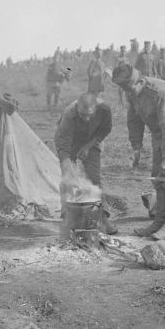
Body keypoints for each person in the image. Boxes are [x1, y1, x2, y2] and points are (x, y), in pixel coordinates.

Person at [113, 64, 165, 241]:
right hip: (158, 131)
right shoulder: (131, 92)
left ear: (141, 81)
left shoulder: (159, 91)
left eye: (130, 88)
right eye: (124, 89)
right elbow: (133, 121)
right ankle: (159, 221)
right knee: (158, 176)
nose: (128, 93)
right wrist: (136, 147)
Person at [54, 92, 117, 234]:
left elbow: (105, 129)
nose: (86, 118)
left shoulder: (104, 110)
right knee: (68, 179)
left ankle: (102, 217)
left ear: (96, 108)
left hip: (92, 140)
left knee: (94, 179)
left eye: (90, 115)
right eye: (82, 115)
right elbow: (64, 144)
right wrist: (67, 165)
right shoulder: (69, 115)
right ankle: (68, 217)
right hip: (68, 141)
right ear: (77, 107)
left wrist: (88, 146)